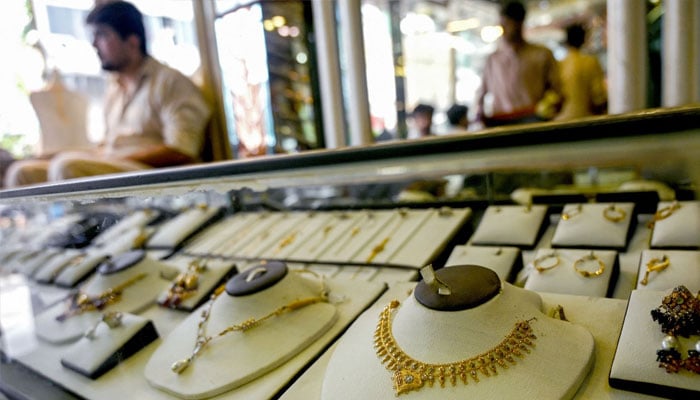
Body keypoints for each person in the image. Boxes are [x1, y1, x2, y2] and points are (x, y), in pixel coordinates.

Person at [4, 1, 211, 188]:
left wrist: (113, 159)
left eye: (102, 35)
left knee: (67, 167)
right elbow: (105, 149)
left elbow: (182, 150)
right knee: (22, 173)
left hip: (154, 177)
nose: (94, 45)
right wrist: (52, 156)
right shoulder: (114, 89)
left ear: (132, 42)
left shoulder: (170, 83)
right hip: (115, 168)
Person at [474, 1, 562, 127]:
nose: (503, 29)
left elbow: (557, 91)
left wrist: (547, 107)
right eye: (501, 24)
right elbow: (481, 95)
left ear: (520, 24)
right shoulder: (493, 59)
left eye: (507, 24)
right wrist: (478, 115)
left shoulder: (542, 55)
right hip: (500, 123)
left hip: (533, 122)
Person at [554, 24, 607, 121]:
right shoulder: (591, 62)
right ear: (583, 39)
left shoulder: (559, 64)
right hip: (586, 120)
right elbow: (599, 97)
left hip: (561, 120)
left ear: (567, 41)